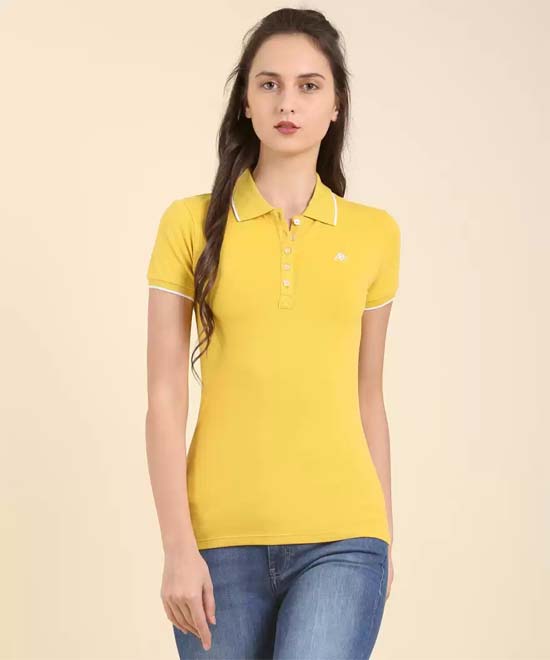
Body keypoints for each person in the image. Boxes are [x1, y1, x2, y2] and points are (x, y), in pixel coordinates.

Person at [145, 8, 401, 659]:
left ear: (336, 105)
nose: (288, 102)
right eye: (269, 84)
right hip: (217, 542)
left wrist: (384, 534)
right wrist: (177, 547)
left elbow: (368, 394)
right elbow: (165, 397)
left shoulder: (374, 235)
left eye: (309, 85)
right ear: (245, 100)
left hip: (344, 539)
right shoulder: (189, 224)